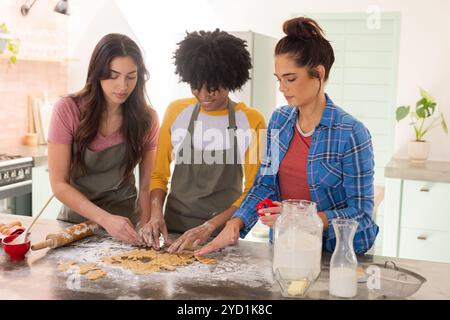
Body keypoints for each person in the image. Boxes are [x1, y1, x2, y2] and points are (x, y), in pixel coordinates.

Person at [196, 17, 379, 256]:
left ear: (319, 74)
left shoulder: (351, 133)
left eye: (290, 78)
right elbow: (264, 184)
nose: (282, 87)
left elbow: (361, 214)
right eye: (279, 79)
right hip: (285, 248)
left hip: (335, 254)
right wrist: (236, 222)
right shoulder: (279, 121)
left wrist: (299, 217)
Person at [140, 29, 266, 253]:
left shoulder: (253, 121)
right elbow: (159, 175)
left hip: (220, 236)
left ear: (230, 80)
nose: (204, 95)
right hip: (174, 232)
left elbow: (255, 190)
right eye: (196, 87)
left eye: (213, 88)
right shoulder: (176, 111)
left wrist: (210, 226)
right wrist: (156, 213)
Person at [48, 33, 159, 245]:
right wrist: (105, 219)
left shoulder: (148, 119)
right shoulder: (67, 110)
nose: (123, 86)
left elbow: (147, 187)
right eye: (113, 75)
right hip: (75, 226)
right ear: (97, 73)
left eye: (131, 76)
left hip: (126, 225)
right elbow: (59, 184)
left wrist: (146, 229)